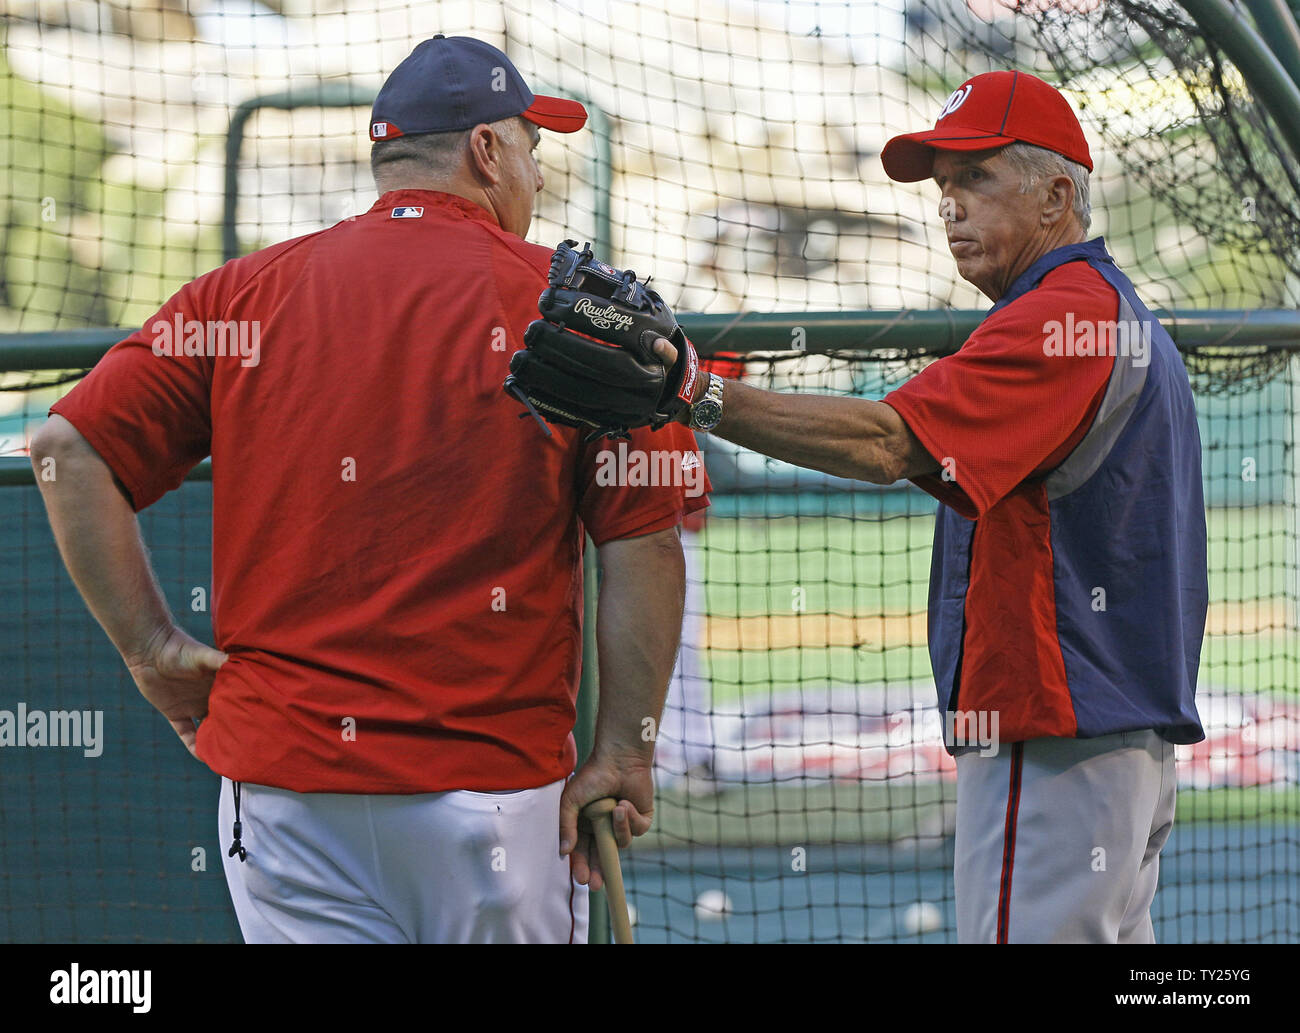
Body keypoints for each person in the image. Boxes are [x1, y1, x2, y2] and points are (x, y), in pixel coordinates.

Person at [29, 35, 708, 944]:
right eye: (534, 152)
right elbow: (643, 542)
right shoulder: (584, 313)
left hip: (289, 795)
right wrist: (626, 747)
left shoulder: (240, 295)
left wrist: (152, 650)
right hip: (496, 801)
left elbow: (65, 450)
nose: (539, 181)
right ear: (487, 151)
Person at [653, 71, 1208, 943]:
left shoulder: (1067, 312)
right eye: (944, 186)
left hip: (1058, 731)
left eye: (977, 179)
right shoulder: (1099, 309)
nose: (949, 205)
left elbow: (886, 441)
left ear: (1059, 194)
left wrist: (694, 390)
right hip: (1111, 736)